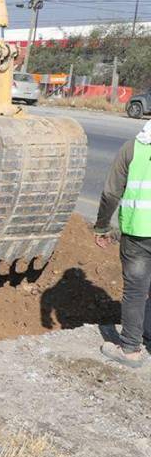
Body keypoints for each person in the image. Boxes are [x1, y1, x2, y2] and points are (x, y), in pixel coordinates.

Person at [94, 122, 151, 368]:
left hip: (139, 235)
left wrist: (102, 226)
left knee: (136, 290)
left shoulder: (133, 149)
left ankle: (130, 348)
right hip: (135, 234)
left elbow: (110, 194)